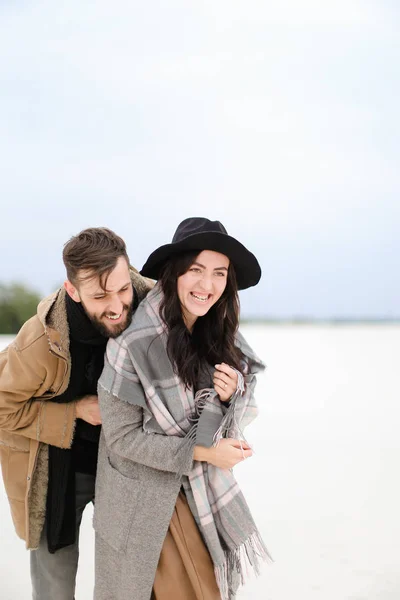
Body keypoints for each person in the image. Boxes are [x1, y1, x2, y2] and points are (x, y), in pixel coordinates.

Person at [95, 217, 270, 600]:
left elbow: (228, 405)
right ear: (174, 273)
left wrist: (229, 396)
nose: (207, 286)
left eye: (219, 274)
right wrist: (206, 452)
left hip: (198, 489)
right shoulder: (133, 344)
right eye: (196, 270)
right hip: (147, 502)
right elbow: (123, 440)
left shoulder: (217, 332)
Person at [0, 227, 153, 600]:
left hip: (129, 465)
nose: (116, 305)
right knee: (54, 585)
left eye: (121, 289)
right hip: (60, 467)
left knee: (138, 581)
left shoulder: (156, 305)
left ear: (129, 271)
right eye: (99, 296)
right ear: (73, 291)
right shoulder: (39, 339)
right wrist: (75, 412)